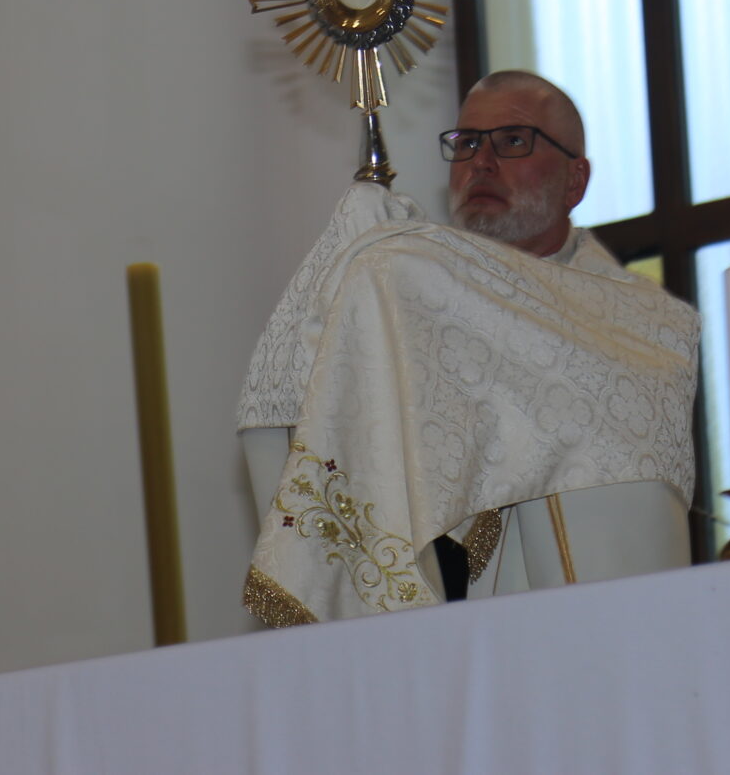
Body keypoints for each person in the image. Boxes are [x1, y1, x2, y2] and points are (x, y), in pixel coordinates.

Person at [238, 70, 700, 626]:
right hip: (465, 632)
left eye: (513, 140)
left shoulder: (647, 326)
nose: (481, 162)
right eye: (467, 143)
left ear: (575, 179)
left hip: (610, 624)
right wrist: (356, 285)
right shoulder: (415, 300)